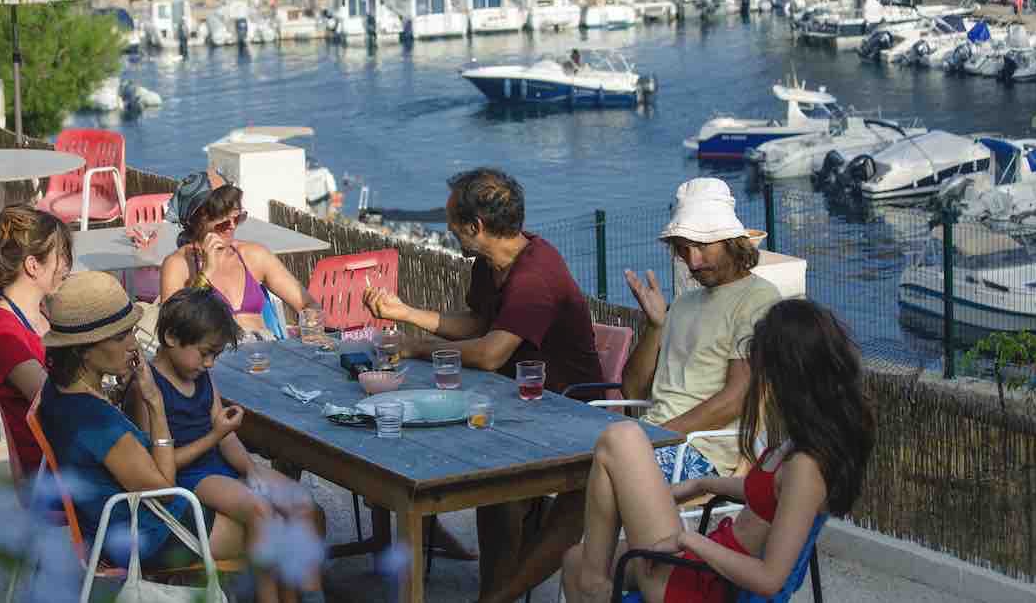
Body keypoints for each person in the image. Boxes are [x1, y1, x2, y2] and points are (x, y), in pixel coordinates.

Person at [363, 167, 604, 603]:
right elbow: (478, 323)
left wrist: (418, 348)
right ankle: (493, 583)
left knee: (497, 486)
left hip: (567, 413)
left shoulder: (534, 277)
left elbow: (491, 352)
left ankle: (496, 592)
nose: (448, 229)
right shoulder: (491, 263)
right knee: (422, 444)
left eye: (452, 221)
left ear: (475, 226)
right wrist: (405, 313)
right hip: (514, 402)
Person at [560, 298, 876, 603]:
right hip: (705, 568)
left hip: (704, 588)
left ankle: (595, 586)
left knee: (622, 438)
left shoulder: (807, 467)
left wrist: (688, 539)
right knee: (576, 561)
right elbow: (769, 495)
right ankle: (593, 583)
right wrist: (704, 483)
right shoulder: (801, 443)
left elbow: (770, 580)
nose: (762, 381)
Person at [38, 272, 325, 603]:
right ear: (84, 350)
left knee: (295, 514)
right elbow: (163, 487)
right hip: (147, 530)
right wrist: (155, 403)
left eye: (130, 331)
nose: (132, 344)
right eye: (120, 336)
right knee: (280, 530)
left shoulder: (59, 390)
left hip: (140, 514)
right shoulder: (95, 421)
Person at [623, 177, 780, 483]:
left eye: (702, 246)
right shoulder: (684, 303)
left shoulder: (759, 299)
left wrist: (655, 437)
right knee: (575, 472)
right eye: (683, 249)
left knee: (600, 471)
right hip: (656, 440)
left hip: (701, 452)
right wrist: (655, 327)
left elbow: (736, 398)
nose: (692, 262)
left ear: (731, 241)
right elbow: (632, 390)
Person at [0, 205, 72, 481]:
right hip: (55, 477)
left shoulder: (42, 313)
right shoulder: (0, 330)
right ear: (32, 265)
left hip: (69, 454)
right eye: (61, 256)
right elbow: (56, 401)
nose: (66, 267)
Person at [159, 171, 317, 337]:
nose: (232, 226)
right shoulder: (178, 264)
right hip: (215, 352)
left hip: (263, 349)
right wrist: (205, 274)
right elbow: (171, 330)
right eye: (223, 222)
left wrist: (313, 334)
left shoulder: (253, 255)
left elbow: (307, 304)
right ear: (196, 222)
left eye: (237, 218)